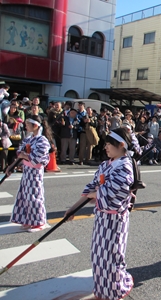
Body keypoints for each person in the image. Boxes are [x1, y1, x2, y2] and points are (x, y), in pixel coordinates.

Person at [64, 128, 134, 300]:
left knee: (112, 257)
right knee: (98, 256)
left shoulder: (126, 167)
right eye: (106, 144)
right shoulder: (106, 164)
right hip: (102, 218)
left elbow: (112, 193)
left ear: (122, 145)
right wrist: (73, 208)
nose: (106, 147)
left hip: (115, 219)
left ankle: (115, 290)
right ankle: (102, 290)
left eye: (110, 144)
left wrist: (97, 193)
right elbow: (92, 188)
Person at [8, 115, 52, 232]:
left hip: (35, 172)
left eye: (28, 124)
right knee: (24, 195)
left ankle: (39, 222)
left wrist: (25, 155)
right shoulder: (28, 138)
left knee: (35, 196)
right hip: (27, 171)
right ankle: (28, 220)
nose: (26, 126)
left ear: (35, 126)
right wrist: (13, 165)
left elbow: (37, 158)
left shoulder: (43, 140)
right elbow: (19, 152)